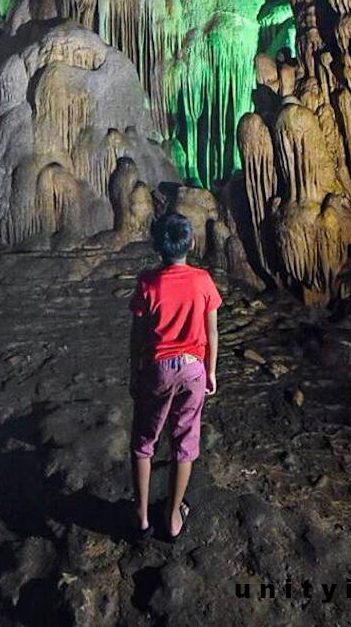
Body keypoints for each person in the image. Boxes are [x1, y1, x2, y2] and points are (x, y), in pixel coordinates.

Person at [127, 210, 222, 540]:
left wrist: (134, 371)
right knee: (184, 443)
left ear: (158, 247)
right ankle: (173, 518)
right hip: (194, 368)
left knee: (144, 442)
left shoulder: (148, 282)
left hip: (157, 369)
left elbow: (138, 335)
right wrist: (211, 371)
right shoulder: (204, 281)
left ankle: (140, 517)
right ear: (191, 243)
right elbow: (212, 332)